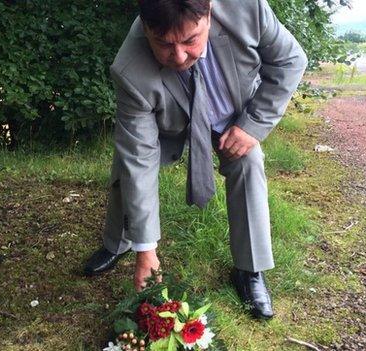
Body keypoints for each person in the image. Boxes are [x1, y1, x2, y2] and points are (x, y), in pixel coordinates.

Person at [83, 0, 307, 320]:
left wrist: (252, 126)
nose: (179, 57)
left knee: (250, 161)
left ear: (210, 13)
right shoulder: (129, 68)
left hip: (233, 116)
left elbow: (291, 61)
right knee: (127, 165)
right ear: (145, 28)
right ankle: (118, 243)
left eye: (191, 40)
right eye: (164, 44)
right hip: (170, 124)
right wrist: (147, 251)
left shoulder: (248, 8)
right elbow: (139, 157)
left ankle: (250, 269)